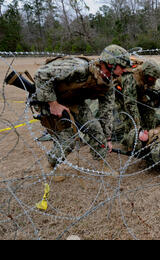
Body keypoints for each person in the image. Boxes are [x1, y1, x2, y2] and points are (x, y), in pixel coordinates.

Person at [34, 44, 131, 178]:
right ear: (111, 63)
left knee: (95, 128)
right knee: (68, 141)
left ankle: (103, 165)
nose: (125, 70)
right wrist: (53, 103)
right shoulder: (79, 68)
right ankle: (50, 165)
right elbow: (40, 75)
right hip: (50, 100)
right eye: (123, 66)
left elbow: (106, 111)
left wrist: (107, 138)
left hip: (74, 102)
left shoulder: (108, 83)